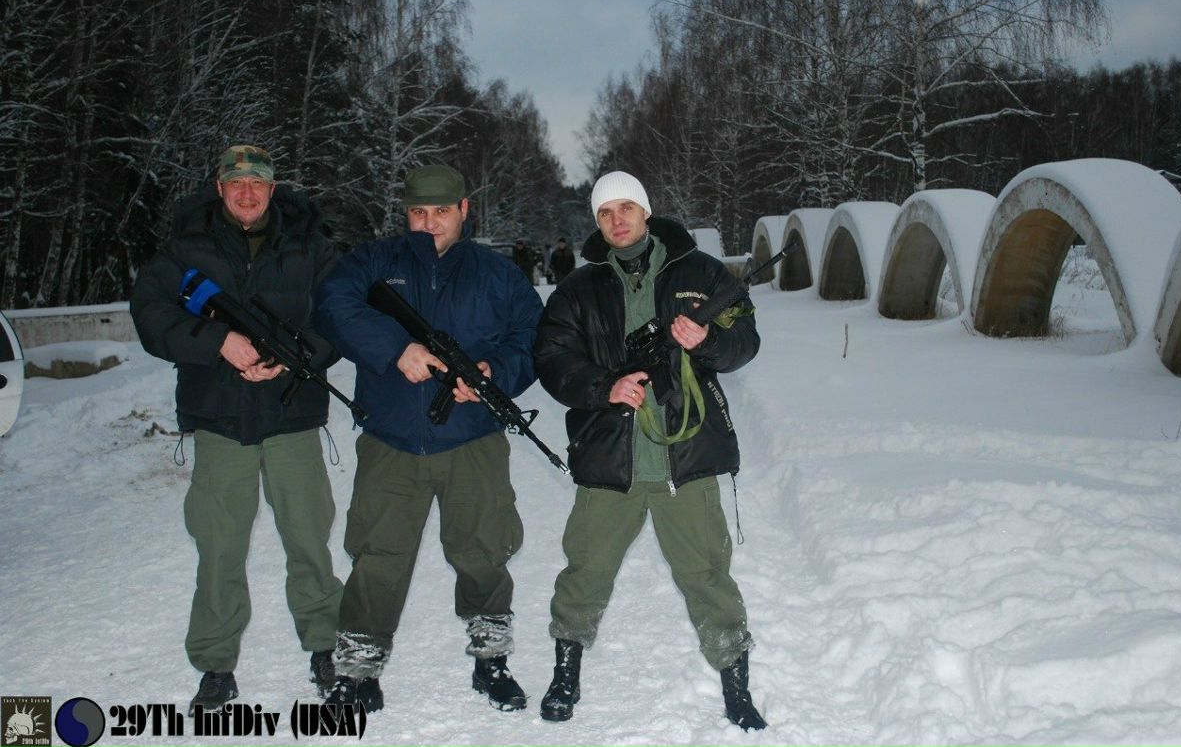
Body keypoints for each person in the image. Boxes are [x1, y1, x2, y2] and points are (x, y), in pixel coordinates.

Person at [532, 170, 768, 730]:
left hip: (685, 461)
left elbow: (745, 341)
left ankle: (735, 685)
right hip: (610, 459)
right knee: (585, 570)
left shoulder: (700, 273)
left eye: (626, 208)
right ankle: (567, 672)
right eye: (605, 212)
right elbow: (551, 358)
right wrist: (603, 388)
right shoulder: (578, 289)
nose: (617, 220)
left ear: (645, 211)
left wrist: (707, 341)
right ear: (596, 222)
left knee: (708, 575)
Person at [313, 165, 543, 715]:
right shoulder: (374, 261)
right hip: (392, 439)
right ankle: (358, 670)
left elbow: (534, 337)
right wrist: (397, 348)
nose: (430, 223)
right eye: (419, 212)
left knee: (484, 550)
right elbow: (331, 306)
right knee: (377, 555)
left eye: (442, 211)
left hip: (473, 441)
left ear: (465, 209)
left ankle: (491, 660)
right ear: (405, 212)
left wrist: (493, 372)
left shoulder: (497, 274)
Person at [130, 145, 344, 713]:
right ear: (219, 187)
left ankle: (326, 647)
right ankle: (216, 664)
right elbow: (150, 313)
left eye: (258, 183)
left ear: (274, 190)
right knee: (219, 547)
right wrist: (218, 342)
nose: (247, 193)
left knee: (308, 540)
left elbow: (340, 312)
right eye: (236, 183)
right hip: (221, 420)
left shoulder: (311, 247)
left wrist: (297, 354)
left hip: (292, 415)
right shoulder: (185, 248)